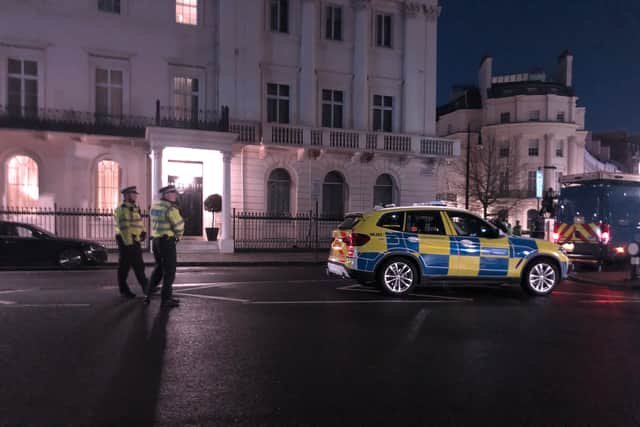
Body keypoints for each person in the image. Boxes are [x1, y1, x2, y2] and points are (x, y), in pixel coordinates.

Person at [145, 185, 184, 308]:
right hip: (167, 242)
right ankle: (166, 299)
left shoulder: (154, 206)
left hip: (156, 241)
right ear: (166, 195)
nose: (175, 195)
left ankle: (148, 294)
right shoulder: (171, 209)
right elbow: (179, 225)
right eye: (173, 193)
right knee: (169, 271)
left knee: (159, 269)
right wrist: (178, 237)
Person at [114, 186, 148, 299]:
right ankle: (124, 289)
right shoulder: (122, 208)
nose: (136, 196)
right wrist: (129, 243)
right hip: (126, 241)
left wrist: (143, 232)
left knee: (139, 266)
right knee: (124, 267)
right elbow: (124, 227)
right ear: (127, 195)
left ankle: (146, 287)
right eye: (133, 194)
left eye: (135, 194)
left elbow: (137, 222)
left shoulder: (133, 207)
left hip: (134, 240)